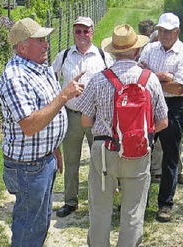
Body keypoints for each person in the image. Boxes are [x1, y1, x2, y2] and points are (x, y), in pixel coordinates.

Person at [77, 24, 168, 246]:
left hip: (105, 150)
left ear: (113, 52)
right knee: (133, 210)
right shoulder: (150, 80)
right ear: (136, 51)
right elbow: (163, 122)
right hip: (137, 151)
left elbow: (86, 121)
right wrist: (136, 134)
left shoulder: (99, 79)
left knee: (100, 207)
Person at [0, 18, 83, 246]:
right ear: (23, 47)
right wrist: (64, 96)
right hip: (28, 167)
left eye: (45, 39)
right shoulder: (16, 77)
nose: (46, 44)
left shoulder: (39, 69)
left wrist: (54, 149)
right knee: (29, 227)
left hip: (42, 160)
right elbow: (30, 125)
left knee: (40, 221)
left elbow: (48, 114)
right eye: (40, 40)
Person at [51, 16, 113, 218]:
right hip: (72, 115)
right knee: (71, 160)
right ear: (73, 33)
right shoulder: (64, 55)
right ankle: (70, 201)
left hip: (97, 116)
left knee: (101, 159)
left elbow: (114, 82)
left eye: (85, 31)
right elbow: (51, 79)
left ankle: (100, 201)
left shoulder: (103, 56)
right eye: (78, 31)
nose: (82, 35)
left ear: (92, 32)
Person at [139, 12, 183, 222]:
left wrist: (151, 76)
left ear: (177, 32)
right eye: (161, 30)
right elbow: (139, 74)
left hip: (174, 105)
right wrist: (162, 76)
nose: (163, 34)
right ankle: (139, 200)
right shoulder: (150, 48)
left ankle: (165, 204)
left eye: (168, 31)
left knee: (170, 156)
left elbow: (180, 87)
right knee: (143, 151)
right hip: (149, 104)